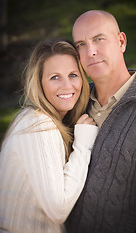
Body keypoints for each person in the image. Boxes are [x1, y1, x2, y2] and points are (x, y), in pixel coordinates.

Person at [65, 10, 136, 233]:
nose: (91, 52)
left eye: (99, 39)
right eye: (80, 44)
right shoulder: (71, 103)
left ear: (121, 41)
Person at [0, 39, 99, 233]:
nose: (67, 85)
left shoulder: (37, 120)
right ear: (40, 83)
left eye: (73, 75)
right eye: (55, 77)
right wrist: (83, 144)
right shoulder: (38, 125)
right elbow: (59, 210)